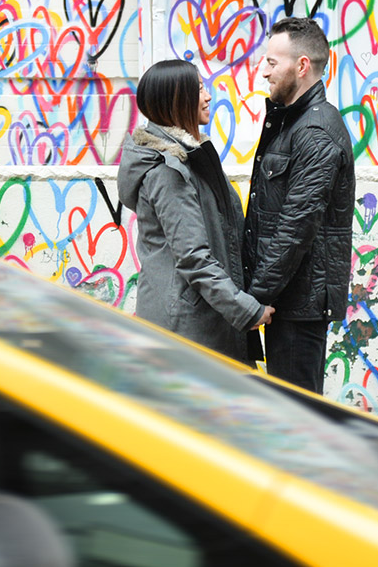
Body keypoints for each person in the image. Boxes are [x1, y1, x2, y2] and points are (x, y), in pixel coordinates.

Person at [117, 59, 273, 364]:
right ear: (177, 98)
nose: (208, 95)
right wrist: (246, 309)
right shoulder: (168, 170)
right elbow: (193, 258)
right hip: (186, 326)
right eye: (199, 88)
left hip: (195, 317)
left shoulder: (188, 158)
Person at [244, 16, 356, 393]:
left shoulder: (315, 131)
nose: (264, 73)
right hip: (286, 302)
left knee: (298, 420)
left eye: (272, 63)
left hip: (297, 306)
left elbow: (295, 229)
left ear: (302, 66)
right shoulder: (291, 123)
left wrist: (251, 301)